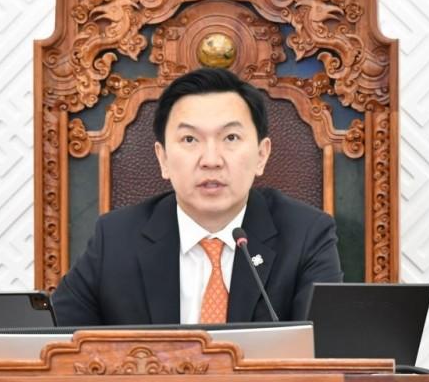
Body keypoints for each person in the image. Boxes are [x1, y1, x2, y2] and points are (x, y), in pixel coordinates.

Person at [51, 67, 343, 325]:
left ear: (262, 155)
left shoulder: (306, 236)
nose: (211, 160)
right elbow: (52, 341)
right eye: (190, 139)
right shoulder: (115, 239)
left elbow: (328, 350)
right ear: (163, 159)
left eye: (230, 138)